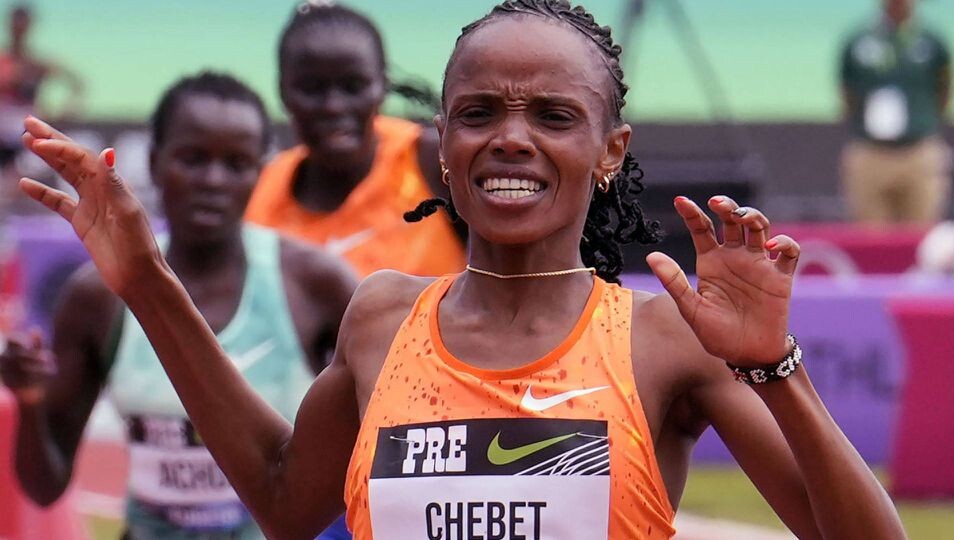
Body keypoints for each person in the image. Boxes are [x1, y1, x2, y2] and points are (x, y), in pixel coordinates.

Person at [16, 1, 906, 538]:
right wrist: (149, 283)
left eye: (553, 115)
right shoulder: (382, 319)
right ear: (443, 144)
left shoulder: (661, 338)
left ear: (610, 150)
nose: (511, 137)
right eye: (479, 113)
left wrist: (775, 368)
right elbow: (285, 505)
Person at [0, 72, 355, 539]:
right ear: (154, 161)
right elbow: (45, 486)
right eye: (193, 158)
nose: (213, 180)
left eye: (236, 163)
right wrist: (28, 400)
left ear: (261, 172)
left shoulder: (314, 282)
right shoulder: (99, 296)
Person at [245, 2, 465, 278]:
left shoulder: (433, 164)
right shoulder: (257, 192)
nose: (333, 106)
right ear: (282, 91)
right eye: (311, 88)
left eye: (353, 86)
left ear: (382, 86)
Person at [839, 0, 953, 224]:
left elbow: (944, 89)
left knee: (921, 233)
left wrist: (924, 121)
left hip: (918, 151)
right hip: (870, 151)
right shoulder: (858, 41)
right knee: (869, 235)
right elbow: (847, 91)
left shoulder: (932, 41)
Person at [0, 4, 83, 171]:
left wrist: (62, 114)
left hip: (26, 131)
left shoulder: (36, 63)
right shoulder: (4, 61)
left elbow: (77, 84)